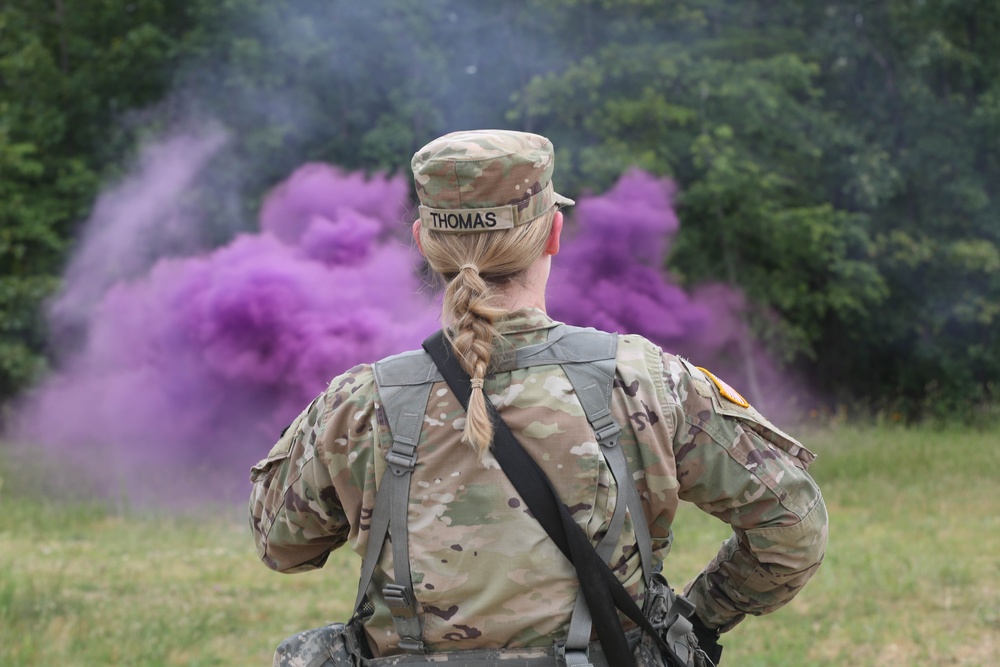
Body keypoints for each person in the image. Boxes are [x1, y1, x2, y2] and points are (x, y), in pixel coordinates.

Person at [248, 129, 828, 666]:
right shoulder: (648, 380)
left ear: (425, 243)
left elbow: (280, 545)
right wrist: (699, 619)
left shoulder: (360, 402)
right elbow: (792, 523)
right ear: (553, 231)